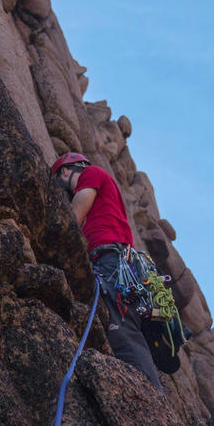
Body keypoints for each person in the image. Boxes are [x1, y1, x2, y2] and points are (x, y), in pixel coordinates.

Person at [52, 152, 162, 389]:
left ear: (65, 171)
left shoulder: (91, 173)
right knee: (123, 325)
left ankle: (152, 394)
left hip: (110, 258)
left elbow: (78, 210)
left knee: (120, 328)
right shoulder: (107, 189)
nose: (68, 189)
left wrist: (59, 234)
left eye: (63, 183)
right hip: (116, 260)